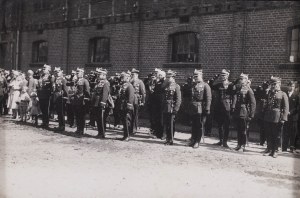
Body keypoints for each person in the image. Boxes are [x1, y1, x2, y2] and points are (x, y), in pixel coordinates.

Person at [209, 69, 236, 148]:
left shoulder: (231, 85)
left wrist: (233, 107)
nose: (222, 76)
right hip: (219, 107)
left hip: (227, 107)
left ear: (227, 75)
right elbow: (211, 85)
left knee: (226, 125)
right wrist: (215, 78)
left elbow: (234, 97)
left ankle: (225, 141)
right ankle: (221, 140)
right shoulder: (219, 85)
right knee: (220, 124)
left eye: (224, 75)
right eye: (221, 75)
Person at [263, 76, 289, 158]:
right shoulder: (269, 93)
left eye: (275, 84)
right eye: (272, 84)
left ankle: (275, 150)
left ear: (279, 84)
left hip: (277, 117)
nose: (274, 86)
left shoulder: (283, 94)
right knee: (269, 133)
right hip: (268, 116)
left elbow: (286, 107)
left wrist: (284, 119)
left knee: (276, 135)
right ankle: (269, 149)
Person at [188, 69, 212, 148]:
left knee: (199, 125)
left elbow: (208, 98)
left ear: (201, 75)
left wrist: (207, 109)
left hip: (200, 108)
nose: (195, 77)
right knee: (194, 125)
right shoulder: (193, 85)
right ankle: (193, 139)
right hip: (193, 107)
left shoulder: (205, 85)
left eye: (197, 76)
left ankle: (197, 141)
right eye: (194, 76)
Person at [232, 73, 256, 151]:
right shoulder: (238, 88)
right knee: (239, 129)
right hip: (238, 111)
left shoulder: (249, 90)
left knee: (243, 130)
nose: (241, 80)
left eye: (243, 79)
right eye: (240, 79)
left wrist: (251, 115)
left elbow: (253, 103)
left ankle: (243, 145)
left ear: (246, 80)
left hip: (244, 111)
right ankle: (239, 144)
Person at [162, 70, 182, 145]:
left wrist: (176, 109)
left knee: (171, 124)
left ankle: (171, 140)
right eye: (167, 76)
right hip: (166, 107)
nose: (167, 78)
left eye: (169, 77)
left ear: (173, 77)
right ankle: (167, 138)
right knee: (167, 124)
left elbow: (178, 99)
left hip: (171, 108)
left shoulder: (176, 86)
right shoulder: (166, 85)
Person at [91, 68, 110, 138]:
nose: (98, 75)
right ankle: (99, 132)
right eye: (98, 74)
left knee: (102, 118)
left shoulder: (106, 83)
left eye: (100, 74)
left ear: (104, 75)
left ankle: (103, 133)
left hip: (102, 103)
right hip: (96, 102)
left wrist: (103, 103)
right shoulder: (98, 82)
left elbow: (105, 94)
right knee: (98, 118)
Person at [71, 68, 90, 135]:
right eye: (77, 73)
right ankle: (78, 129)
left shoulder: (85, 81)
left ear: (82, 73)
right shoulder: (76, 81)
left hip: (81, 100)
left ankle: (81, 130)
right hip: (75, 100)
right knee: (77, 115)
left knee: (81, 116)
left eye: (78, 73)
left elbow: (87, 91)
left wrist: (86, 100)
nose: (77, 74)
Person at [282, 81, 299, 153]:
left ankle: (292, 148)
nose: (291, 88)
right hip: (286, 116)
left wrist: (290, 112)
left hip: (293, 117)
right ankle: (284, 148)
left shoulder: (296, 96)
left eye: (293, 87)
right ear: (287, 86)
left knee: (293, 133)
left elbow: (297, 107)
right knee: (285, 132)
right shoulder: (285, 94)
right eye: (290, 86)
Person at [119, 71, 135, 141]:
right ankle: (125, 135)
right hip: (122, 105)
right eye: (122, 77)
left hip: (126, 105)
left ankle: (127, 135)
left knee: (126, 120)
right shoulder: (123, 85)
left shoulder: (129, 86)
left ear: (128, 78)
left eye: (123, 77)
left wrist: (129, 105)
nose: (122, 78)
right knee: (124, 120)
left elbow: (131, 96)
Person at [130, 68, 146, 134]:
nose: (132, 75)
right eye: (132, 74)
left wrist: (143, 101)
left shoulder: (140, 82)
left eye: (133, 74)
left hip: (136, 100)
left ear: (137, 75)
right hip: (130, 99)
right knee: (130, 114)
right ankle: (129, 127)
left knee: (135, 114)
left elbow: (143, 92)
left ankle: (134, 128)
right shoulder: (130, 81)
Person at [53, 67, 68, 131]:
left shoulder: (63, 80)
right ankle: (60, 125)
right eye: (56, 72)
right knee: (58, 112)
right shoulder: (56, 79)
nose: (57, 73)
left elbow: (65, 89)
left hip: (61, 97)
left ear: (61, 72)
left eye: (58, 72)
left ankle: (62, 126)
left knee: (61, 113)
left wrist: (66, 97)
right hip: (56, 97)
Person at [152, 68, 166, 139]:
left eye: (160, 75)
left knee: (162, 119)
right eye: (158, 75)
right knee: (157, 118)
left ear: (163, 76)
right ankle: (158, 133)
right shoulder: (157, 82)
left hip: (162, 103)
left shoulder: (165, 82)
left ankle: (163, 134)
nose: (159, 76)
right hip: (156, 103)